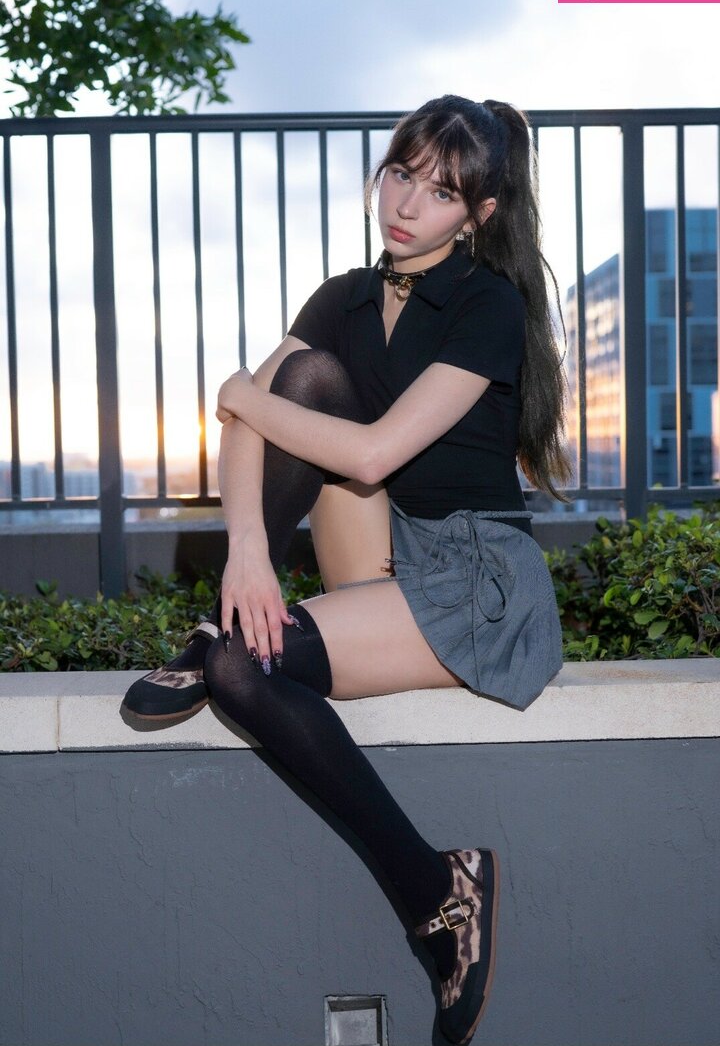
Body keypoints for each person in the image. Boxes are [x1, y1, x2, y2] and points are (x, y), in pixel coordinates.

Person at [122, 95, 570, 1045]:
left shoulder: (487, 304)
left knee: (240, 667)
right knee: (310, 380)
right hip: (385, 544)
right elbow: (255, 421)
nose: (406, 204)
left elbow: (369, 454)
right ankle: (221, 620)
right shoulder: (346, 295)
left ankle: (441, 894)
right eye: (401, 173)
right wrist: (250, 552)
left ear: (478, 214)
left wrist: (238, 392)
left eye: (440, 192)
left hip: (476, 578)